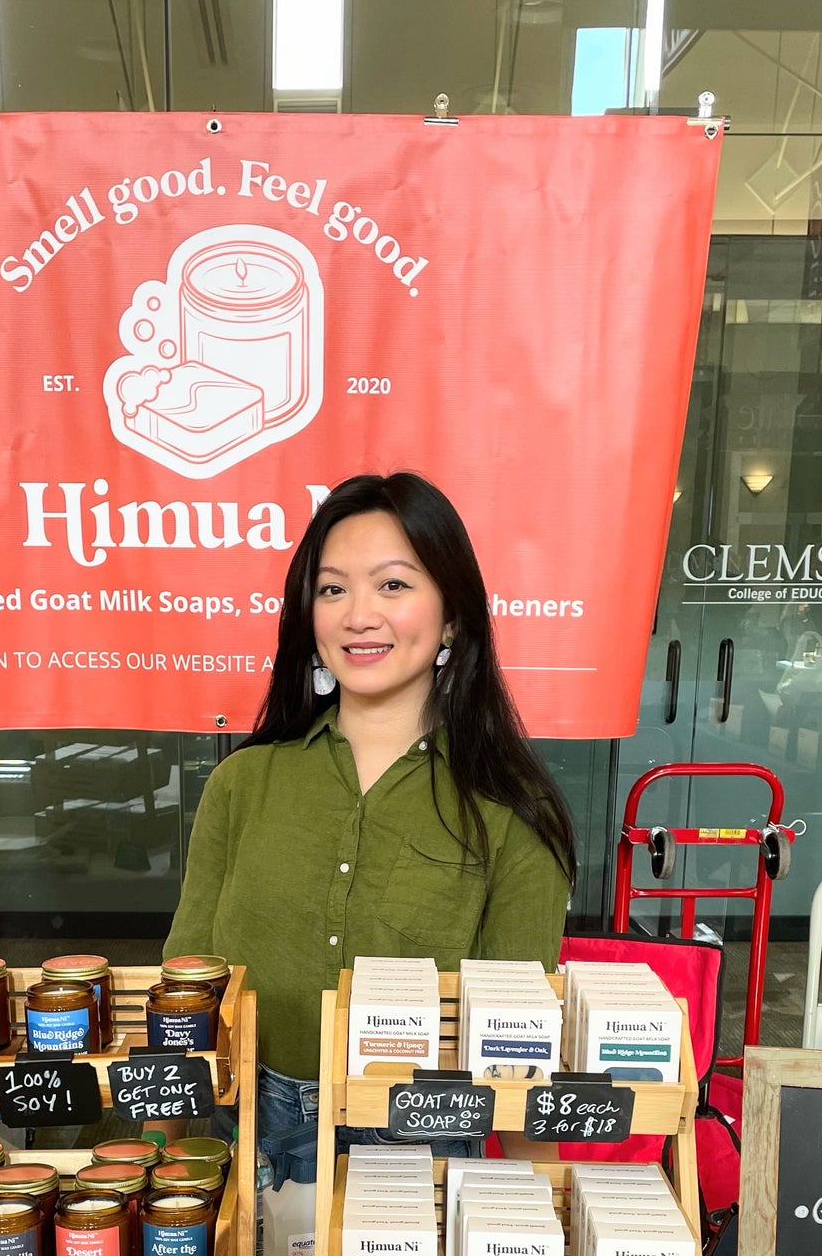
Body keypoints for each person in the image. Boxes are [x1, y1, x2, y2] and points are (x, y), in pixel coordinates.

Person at [166, 471, 576, 1141]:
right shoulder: (241, 783)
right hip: (240, 1128)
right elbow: (186, 993)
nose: (358, 615)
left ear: (451, 616)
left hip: (420, 1134)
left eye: (393, 585)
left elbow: (514, 1039)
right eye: (333, 589)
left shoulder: (513, 809)